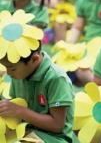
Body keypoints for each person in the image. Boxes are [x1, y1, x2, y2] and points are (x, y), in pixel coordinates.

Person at [0, 10, 75, 143]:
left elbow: (57, 125)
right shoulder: (19, 74)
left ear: (34, 59)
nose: (9, 73)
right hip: (25, 131)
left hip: (54, 138)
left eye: (11, 68)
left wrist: (20, 111)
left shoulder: (56, 78)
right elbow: (16, 104)